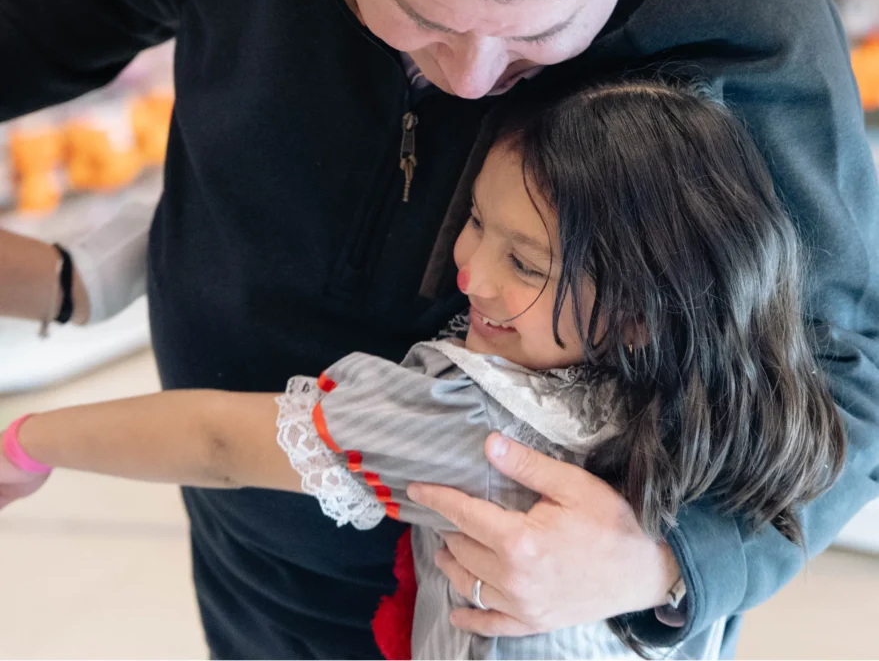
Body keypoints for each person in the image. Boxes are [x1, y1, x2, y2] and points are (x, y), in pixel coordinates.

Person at [0, 0, 877, 661]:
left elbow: (854, 364)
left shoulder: (745, 20)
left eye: (538, 44)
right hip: (248, 530)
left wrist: (666, 562)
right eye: (419, 19)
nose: (470, 82)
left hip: (534, 596)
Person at [0, 81, 847, 661]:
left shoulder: (474, 423)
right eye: (475, 222)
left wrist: (29, 442)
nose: (470, 273)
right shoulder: (740, 402)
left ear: (636, 313)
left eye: (525, 263)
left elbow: (217, 441)